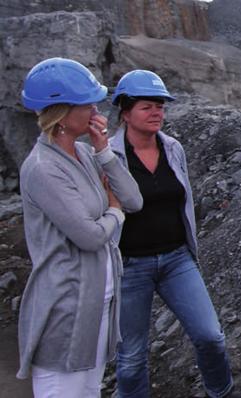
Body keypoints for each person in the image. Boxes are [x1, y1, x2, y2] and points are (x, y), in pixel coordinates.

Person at [16, 57, 143, 397]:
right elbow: (88, 236)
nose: (94, 108)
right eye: (86, 102)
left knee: (90, 391)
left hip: (97, 303)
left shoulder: (86, 155)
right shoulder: (43, 168)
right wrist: (113, 213)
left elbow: (132, 199)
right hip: (65, 307)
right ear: (61, 111)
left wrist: (103, 151)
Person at [108, 70, 235, 398]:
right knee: (132, 356)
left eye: (160, 106)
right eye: (147, 107)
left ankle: (220, 392)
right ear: (125, 112)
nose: (157, 113)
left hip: (177, 259)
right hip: (130, 266)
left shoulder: (172, 148)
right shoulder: (107, 157)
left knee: (210, 336)